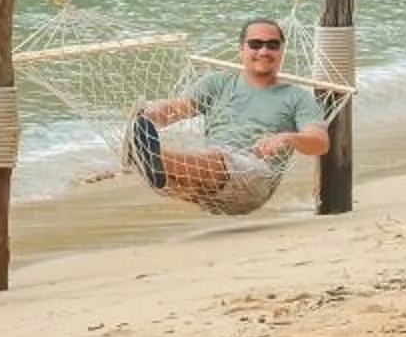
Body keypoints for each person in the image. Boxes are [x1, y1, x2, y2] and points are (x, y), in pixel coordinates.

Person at [127, 16, 329, 213]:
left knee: (214, 160)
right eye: (255, 44)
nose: (264, 51)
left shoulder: (297, 97)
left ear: (281, 52)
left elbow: (320, 142)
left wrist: (287, 137)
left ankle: (150, 157)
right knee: (171, 181)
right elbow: (174, 110)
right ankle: (152, 161)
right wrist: (149, 115)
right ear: (241, 49)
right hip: (209, 182)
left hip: (254, 176)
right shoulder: (217, 83)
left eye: (272, 45)